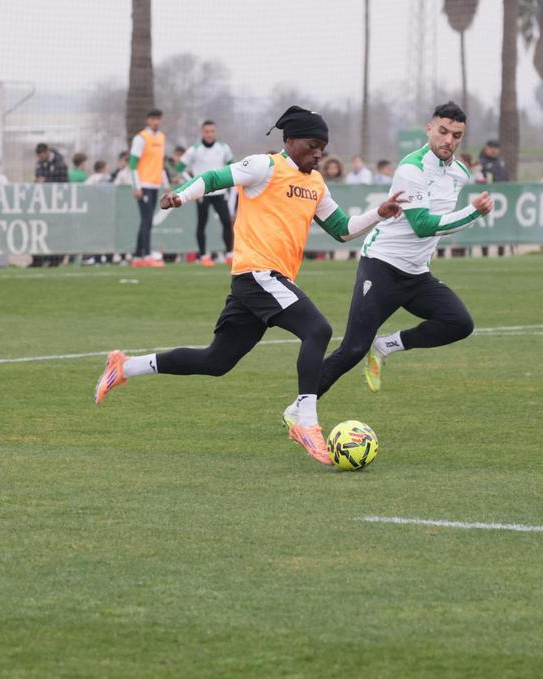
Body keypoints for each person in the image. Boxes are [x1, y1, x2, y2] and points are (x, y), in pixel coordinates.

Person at [92, 105, 407, 466]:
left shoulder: (315, 183)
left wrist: (377, 214)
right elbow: (214, 179)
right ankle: (306, 421)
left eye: (323, 146)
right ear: (290, 141)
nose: (319, 152)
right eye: (313, 144)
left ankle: (124, 366)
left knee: (216, 361)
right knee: (318, 330)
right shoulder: (265, 166)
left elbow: (343, 230)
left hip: (268, 281)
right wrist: (181, 195)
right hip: (257, 274)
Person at [286, 101, 490, 417]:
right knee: (352, 350)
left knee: (459, 323)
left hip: (417, 274)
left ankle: (386, 346)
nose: (448, 140)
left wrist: (469, 214)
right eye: (443, 131)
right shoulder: (412, 169)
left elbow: (438, 224)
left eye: (457, 135)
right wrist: (472, 212)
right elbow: (423, 226)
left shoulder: (460, 174)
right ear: (429, 129)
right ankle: (299, 409)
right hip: (381, 267)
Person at [181, 120, 235, 266]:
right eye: (207, 131)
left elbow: (232, 167)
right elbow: (179, 167)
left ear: (215, 132)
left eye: (212, 131)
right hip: (202, 193)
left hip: (219, 192)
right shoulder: (194, 149)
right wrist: (192, 185)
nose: (209, 134)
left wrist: (230, 185)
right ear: (202, 132)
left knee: (226, 222)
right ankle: (203, 255)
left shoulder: (223, 147)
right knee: (202, 224)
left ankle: (230, 253)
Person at [128, 109, 169, 267]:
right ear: (148, 120)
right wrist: (136, 186)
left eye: (158, 118)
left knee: (147, 220)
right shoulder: (140, 138)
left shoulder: (161, 137)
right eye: (153, 119)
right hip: (143, 185)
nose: (156, 122)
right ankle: (146, 254)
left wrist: (165, 184)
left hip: (155, 185)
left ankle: (138, 256)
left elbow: (160, 163)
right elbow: (133, 164)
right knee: (147, 220)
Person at [33, 142, 68, 266]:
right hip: (44, 203)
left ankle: (56, 259)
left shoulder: (60, 163)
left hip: (58, 203)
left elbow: (62, 180)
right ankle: (39, 260)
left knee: (57, 230)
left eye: (41, 155)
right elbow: (37, 178)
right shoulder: (39, 164)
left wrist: (46, 180)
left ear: (47, 152)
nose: (40, 158)